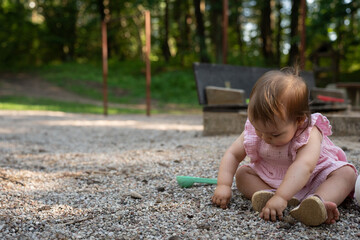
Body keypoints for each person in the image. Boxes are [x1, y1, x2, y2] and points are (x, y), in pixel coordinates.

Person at [211, 67, 357, 226]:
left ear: (299, 120)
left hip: (313, 179)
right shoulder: (256, 129)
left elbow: (304, 166)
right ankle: (269, 196)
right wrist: (224, 185)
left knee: (346, 173)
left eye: (275, 134)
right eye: (259, 130)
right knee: (243, 174)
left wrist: (281, 197)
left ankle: (318, 202)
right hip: (273, 180)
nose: (265, 138)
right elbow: (233, 154)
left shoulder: (309, 132)